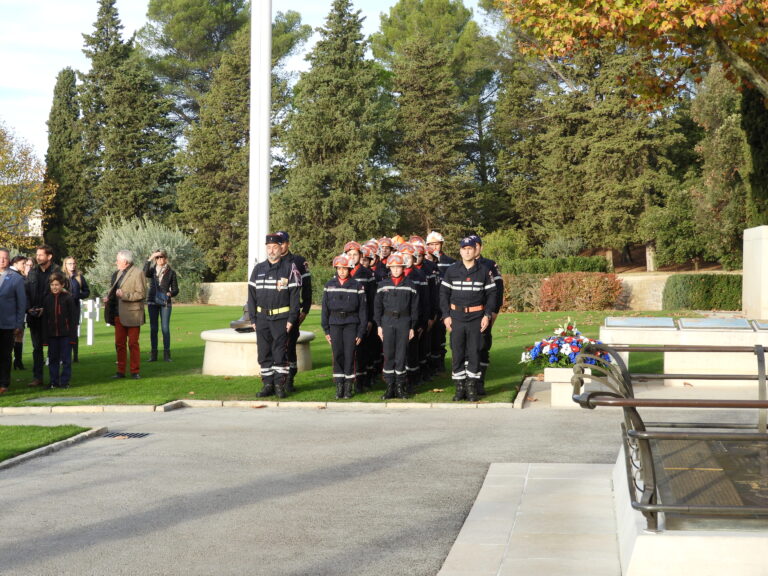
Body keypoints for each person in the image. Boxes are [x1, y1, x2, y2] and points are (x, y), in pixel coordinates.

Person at [440, 236, 497, 402]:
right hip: (456, 317)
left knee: (474, 352)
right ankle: (460, 388)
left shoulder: (484, 271)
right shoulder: (451, 270)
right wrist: (446, 315)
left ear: (475, 250)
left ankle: (471, 387)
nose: (467, 251)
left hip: (476, 317)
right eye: (464, 249)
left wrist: (487, 315)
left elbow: (492, 294)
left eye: (470, 249)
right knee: (457, 352)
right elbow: (443, 294)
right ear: (460, 251)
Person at [247, 234, 301, 398]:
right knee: (264, 353)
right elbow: (251, 296)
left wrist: (292, 319)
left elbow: (295, 297)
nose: (271, 250)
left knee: (279, 353)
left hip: (281, 318)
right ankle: (267, 384)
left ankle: (279, 385)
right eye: (269, 247)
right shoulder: (258, 269)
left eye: (275, 247)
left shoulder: (290, 268)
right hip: (262, 318)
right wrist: (253, 319)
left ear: (281, 248)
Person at [321, 254, 368, 399]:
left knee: (349, 354)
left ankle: (348, 386)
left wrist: (361, 332)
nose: (342, 271)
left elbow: (363, 311)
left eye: (345, 269)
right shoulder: (329, 285)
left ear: (350, 269)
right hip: (334, 323)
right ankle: (339, 385)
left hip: (351, 324)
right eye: (339, 268)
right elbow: (325, 309)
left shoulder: (357, 286)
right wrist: (326, 330)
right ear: (336, 268)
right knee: (338, 354)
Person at [374, 253, 419, 400]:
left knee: (401, 355)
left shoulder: (410, 285)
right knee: (388, 355)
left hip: (404, 322)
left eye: (398, 267)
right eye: (393, 267)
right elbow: (377, 307)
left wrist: (412, 326)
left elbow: (415, 308)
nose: (395, 270)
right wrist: (379, 325)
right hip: (387, 321)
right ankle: (389, 387)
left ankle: (400, 387)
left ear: (403, 268)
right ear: (389, 268)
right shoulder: (382, 285)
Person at [275, 231, 311, 393]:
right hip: (274, 313)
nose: (280, 246)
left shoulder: (298, 261)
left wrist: (305, 310)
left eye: (283, 242)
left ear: (288, 243)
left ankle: (290, 379)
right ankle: (276, 380)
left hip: (292, 311)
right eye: (278, 243)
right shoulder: (271, 262)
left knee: (289, 347)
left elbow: (307, 288)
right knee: (276, 347)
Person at [104, 250, 146, 380]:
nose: (116, 262)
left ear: (125, 262)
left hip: (132, 314)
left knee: (133, 343)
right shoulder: (117, 273)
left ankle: (135, 371)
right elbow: (115, 292)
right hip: (118, 314)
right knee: (119, 344)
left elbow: (141, 294)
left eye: (118, 260)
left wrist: (125, 296)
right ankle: (120, 371)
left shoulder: (138, 273)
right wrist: (108, 297)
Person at [471, 234, 504, 396]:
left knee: (482, 347)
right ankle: (468, 382)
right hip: (466, 315)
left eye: (475, 246)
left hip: (484, 313)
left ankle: (479, 382)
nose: (472, 249)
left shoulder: (489, 265)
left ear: (480, 247)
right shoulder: (460, 266)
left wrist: (494, 312)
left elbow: (498, 290)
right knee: (466, 349)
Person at [25, 245, 61, 387]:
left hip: (51, 316)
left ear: (49, 256)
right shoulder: (32, 272)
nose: (37, 257)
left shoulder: (57, 272)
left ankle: (54, 378)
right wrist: (29, 309)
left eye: (41, 255)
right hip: (34, 317)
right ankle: (37, 377)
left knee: (53, 347)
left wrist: (45, 309)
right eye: (37, 254)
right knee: (37, 348)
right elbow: (26, 292)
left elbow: (58, 294)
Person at [42, 272, 78, 389]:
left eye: (57, 285)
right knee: (53, 359)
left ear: (62, 285)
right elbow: (45, 319)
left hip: (65, 335)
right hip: (52, 335)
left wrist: (72, 337)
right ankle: (54, 381)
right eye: (52, 285)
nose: (54, 287)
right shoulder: (47, 299)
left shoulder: (68, 298)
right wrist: (45, 338)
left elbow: (73, 319)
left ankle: (65, 382)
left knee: (66, 359)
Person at [426, 231, 455, 374]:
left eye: (436, 244)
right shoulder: (425, 262)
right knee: (429, 337)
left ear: (441, 244)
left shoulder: (450, 262)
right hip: (430, 304)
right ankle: (430, 365)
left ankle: (440, 363)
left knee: (440, 336)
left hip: (444, 305)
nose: (433, 247)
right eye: (430, 245)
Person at [144, 250, 179, 362]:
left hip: (165, 302)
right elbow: (144, 273)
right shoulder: (152, 271)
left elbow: (176, 289)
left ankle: (167, 355)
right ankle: (153, 355)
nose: (159, 259)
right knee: (153, 329)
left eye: (161, 257)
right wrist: (150, 258)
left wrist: (170, 293)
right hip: (152, 301)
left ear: (166, 259)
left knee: (165, 329)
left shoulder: (171, 272)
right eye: (157, 258)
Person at [0, 249, 27, 394]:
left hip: (7, 324)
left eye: (5, 258)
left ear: (9, 260)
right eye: (0, 258)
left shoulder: (15, 278)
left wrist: (18, 324)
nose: (2, 260)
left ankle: (4, 383)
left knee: (5, 355)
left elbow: (21, 303)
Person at [62, 256, 90, 363]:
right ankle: (64, 355)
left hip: (74, 307)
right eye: (70, 264)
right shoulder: (61, 277)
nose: (72, 266)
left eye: (74, 263)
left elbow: (87, 291)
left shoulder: (79, 277)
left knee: (73, 332)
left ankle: (75, 356)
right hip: (63, 308)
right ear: (65, 265)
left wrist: (78, 295)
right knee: (64, 332)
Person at [9, 255, 29, 369]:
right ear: (15, 264)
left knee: (18, 335)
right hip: (13, 312)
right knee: (14, 336)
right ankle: (16, 361)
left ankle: (18, 361)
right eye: (23, 263)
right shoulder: (14, 276)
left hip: (17, 311)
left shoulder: (18, 275)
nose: (25, 266)